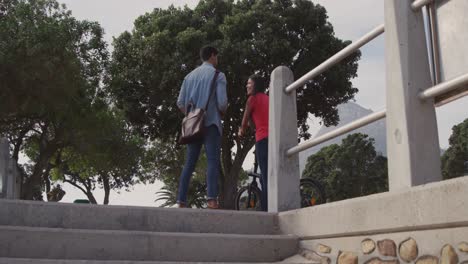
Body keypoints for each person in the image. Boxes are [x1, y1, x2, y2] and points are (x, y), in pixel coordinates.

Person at [176, 46, 228, 209]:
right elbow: (222, 103)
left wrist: (192, 115)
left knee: (189, 163)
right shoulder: (218, 75)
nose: (217, 59)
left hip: (193, 125)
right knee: (212, 161)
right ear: (212, 56)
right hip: (211, 123)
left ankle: (181, 201)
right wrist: (222, 111)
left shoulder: (189, 77)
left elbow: (180, 103)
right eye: (216, 56)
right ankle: (211, 200)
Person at [238, 74, 269, 211]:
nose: (247, 86)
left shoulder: (252, 99)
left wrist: (241, 131)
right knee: (269, 173)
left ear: (255, 85)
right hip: (272, 138)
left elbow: (244, 121)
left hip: (262, 138)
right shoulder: (268, 98)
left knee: (266, 175)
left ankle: (267, 208)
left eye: (249, 83)